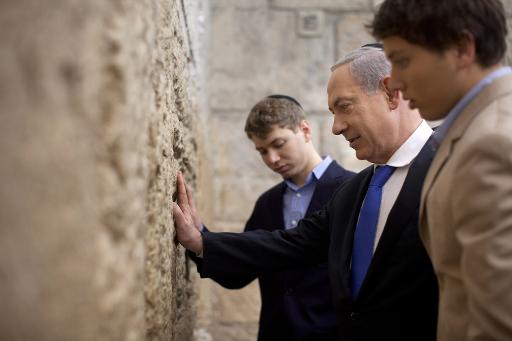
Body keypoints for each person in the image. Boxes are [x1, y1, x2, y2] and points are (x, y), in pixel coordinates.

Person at [174, 46, 438, 341]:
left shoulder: (455, 166)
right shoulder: (353, 193)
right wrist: (201, 241)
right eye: (332, 112)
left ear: (390, 92)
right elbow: (291, 244)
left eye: (345, 106)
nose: (336, 127)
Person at [371, 1, 512, 340]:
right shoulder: (476, 129)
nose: (395, 82)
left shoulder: (491, 143)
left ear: (462, 48)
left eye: (403, 60)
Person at [196, 95, 355, 341]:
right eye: (262, 151)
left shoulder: (350, 190)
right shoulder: (267, 203)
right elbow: (238, 272)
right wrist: (198, 235)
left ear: (304, 130)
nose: (271, 159)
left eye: (278, 144)